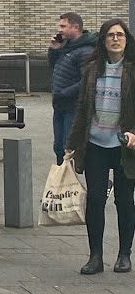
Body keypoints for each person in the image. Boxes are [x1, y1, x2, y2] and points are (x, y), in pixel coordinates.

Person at [66, 18, 135, 275]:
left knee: (125, 201)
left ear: (126, 40)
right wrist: (72, 143)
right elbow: (83, 109)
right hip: (95, 144)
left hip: (124, 147)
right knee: (94, 200)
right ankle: (95, 256)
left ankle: (124, 255)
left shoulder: (133, 69)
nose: (115, 39)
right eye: (110, 35)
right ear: (103, 41)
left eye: (120, 35)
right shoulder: (92, 69)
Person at [51, 12, 98, 165]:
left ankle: (70, 183)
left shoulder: (85, 51)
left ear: (76, 27)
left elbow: (86, 80)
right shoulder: (67, 47)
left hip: (73, 106)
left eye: (63, 26)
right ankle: (62, 181)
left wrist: (64, 93)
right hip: (60, 105)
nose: (60, 30)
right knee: (59, 147)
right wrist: (54, 50)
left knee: (68, 147)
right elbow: (55, 68)